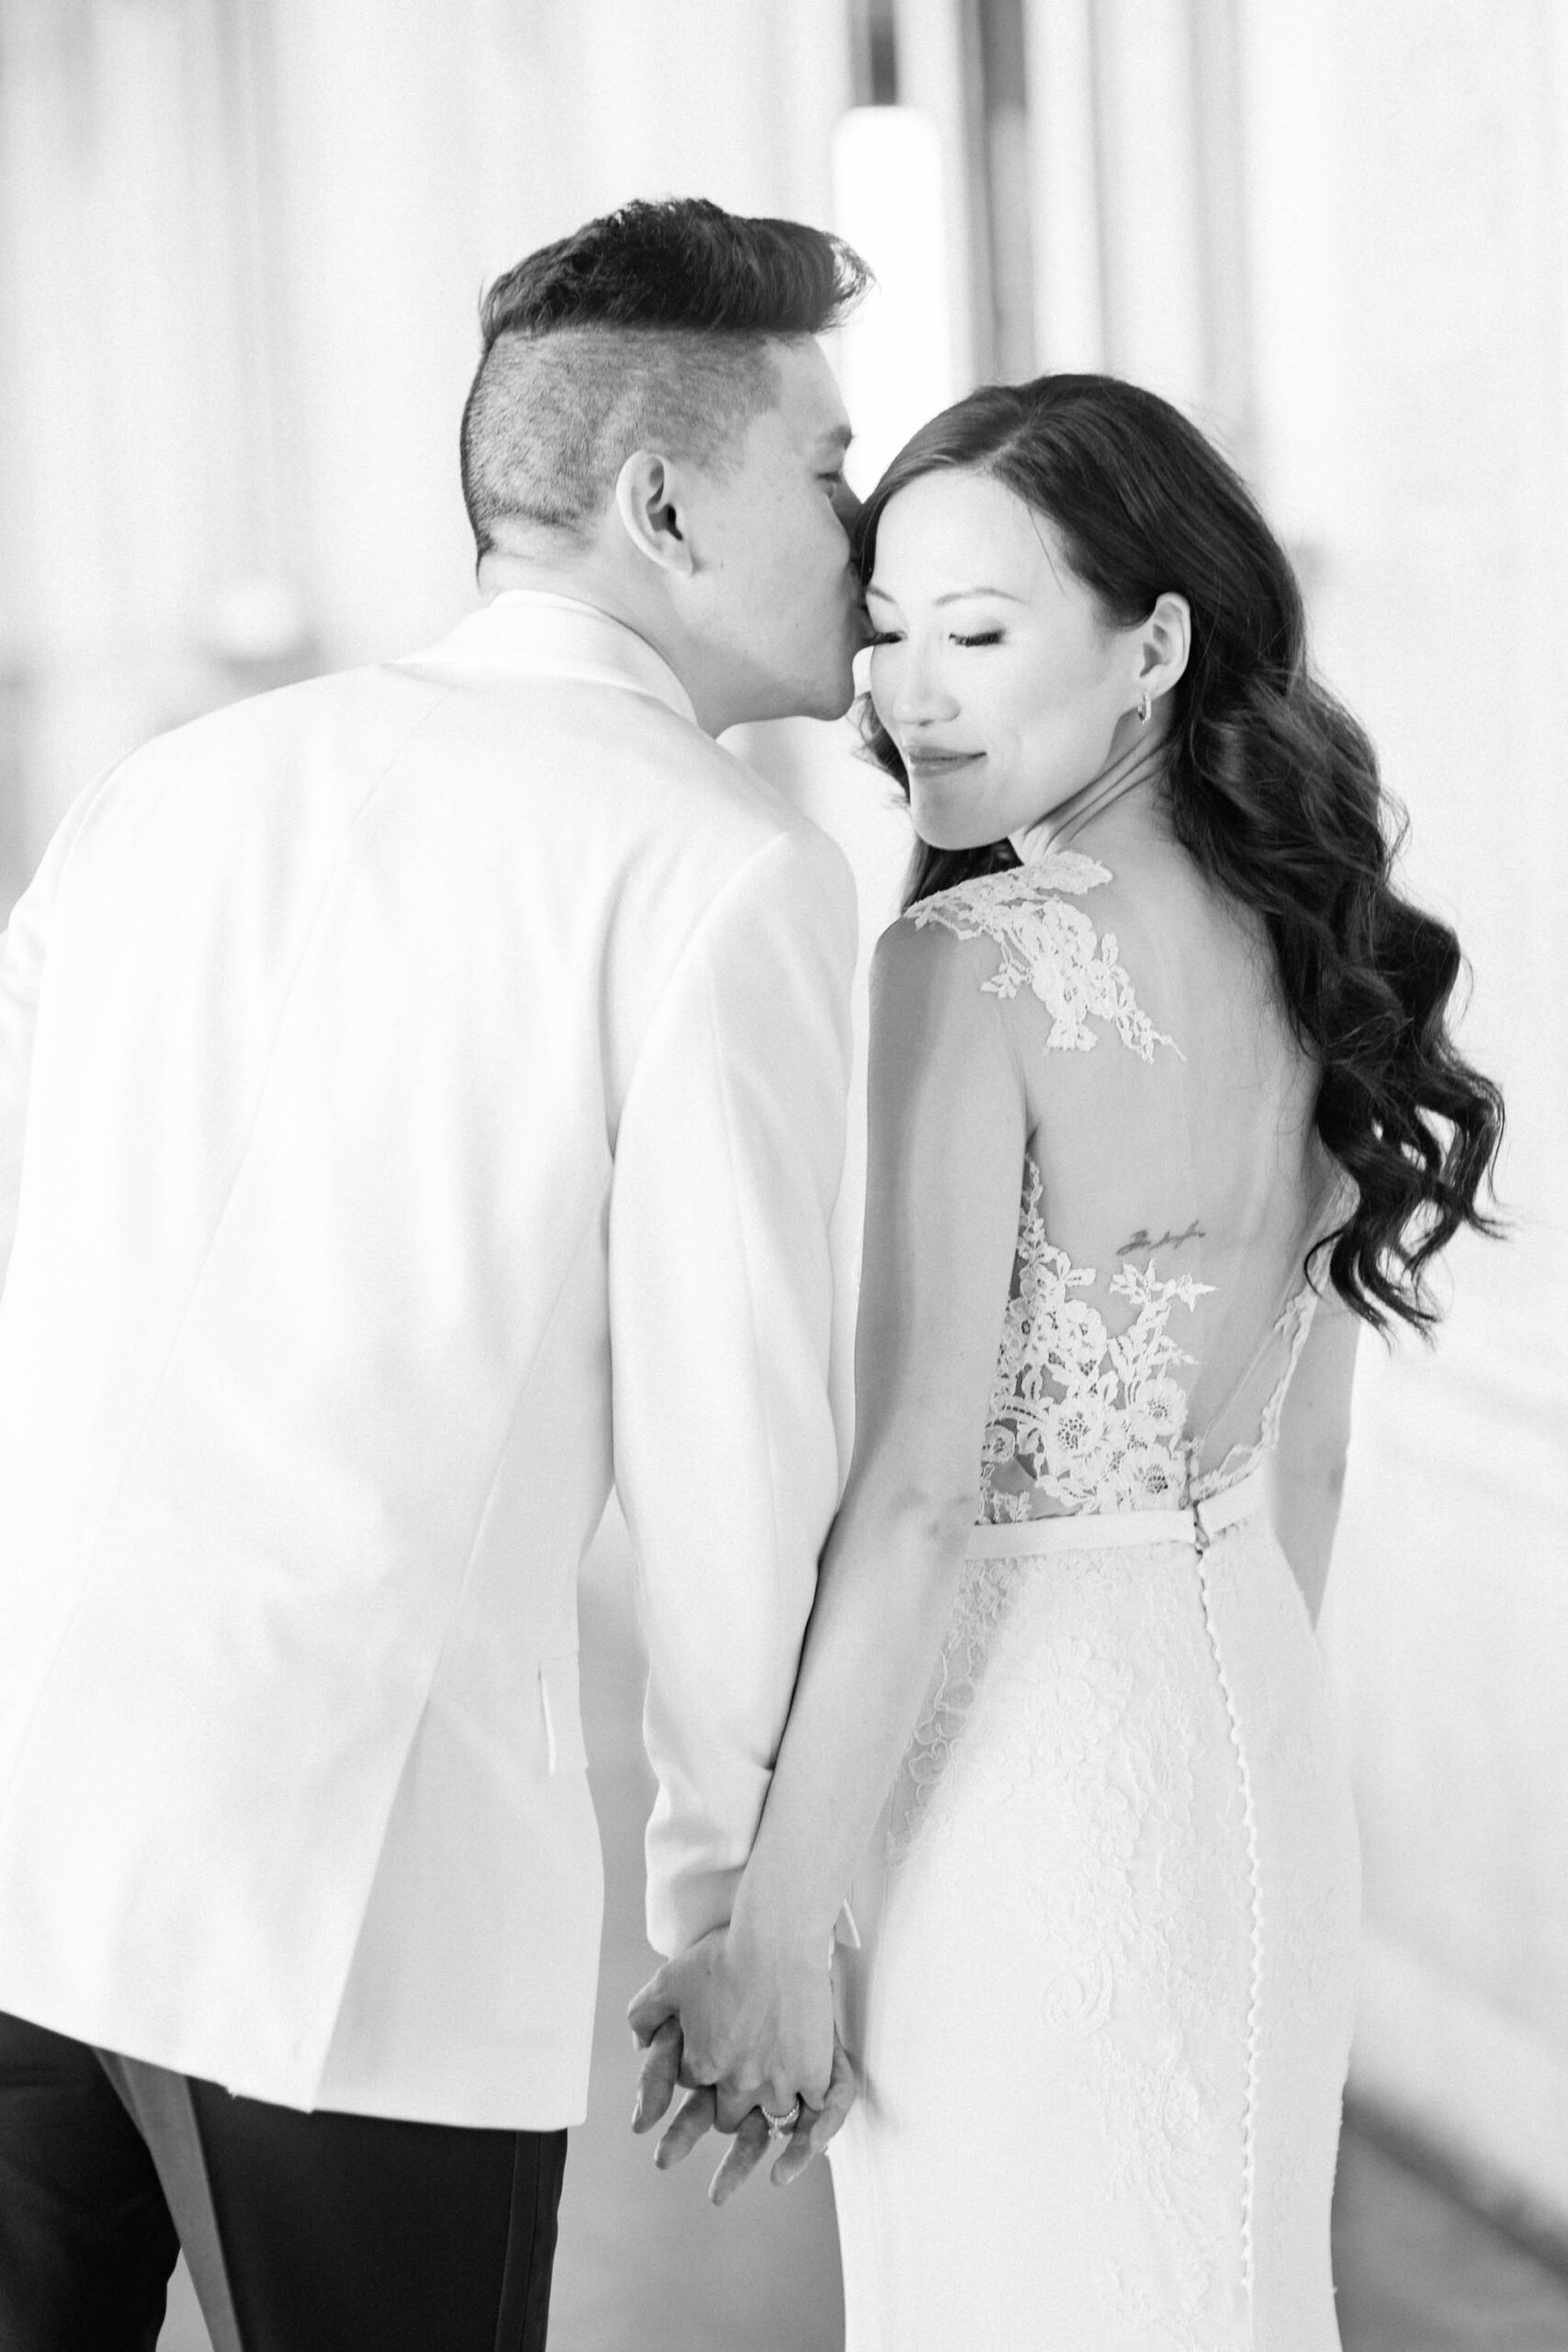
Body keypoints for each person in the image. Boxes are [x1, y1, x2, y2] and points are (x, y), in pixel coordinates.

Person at [0, 196, 870, 2352]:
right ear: (661, 500)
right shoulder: (713, 867)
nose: (867, 530)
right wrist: (730, 1908)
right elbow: (731, 1456)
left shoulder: (164, 789)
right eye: (830, 470)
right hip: (343, 1896)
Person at [630, 374, 1505, 2347]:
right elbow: (1308, 1464)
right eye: (887, 628)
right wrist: (1226, 1727)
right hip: (1245, 1748)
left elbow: (923, 1488)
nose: (906, 689)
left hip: (1014, 1779)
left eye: (978, 630)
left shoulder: (970, 962)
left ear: (1152, 643)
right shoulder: (1312, 944)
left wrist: (775, 1919)